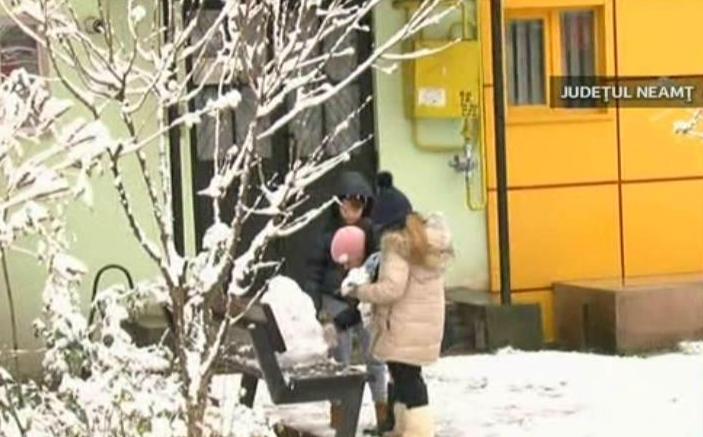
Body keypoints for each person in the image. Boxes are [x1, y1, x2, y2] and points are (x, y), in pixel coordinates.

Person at [342, 212, 453, 437]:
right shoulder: (426, 246)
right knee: (404, 376)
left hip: (403, 325)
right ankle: (402, 427)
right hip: (421, 323)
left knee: (407, 379)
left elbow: (391, 289)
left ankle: (419, 432)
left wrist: (359, 291)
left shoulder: (399, 248)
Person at [304, 170, 388, 431]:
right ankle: (339, 415)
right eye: (347, 206)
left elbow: (380, 267)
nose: (352, 212)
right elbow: (314, 272)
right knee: (339, 362)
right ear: (338, 204)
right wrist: (316, 306)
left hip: (365, 303)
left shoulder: (372, 233)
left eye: (358, 207)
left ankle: (382, 412)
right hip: (335, 302)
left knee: (375, 358)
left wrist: (369, 289)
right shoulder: (326, 234)